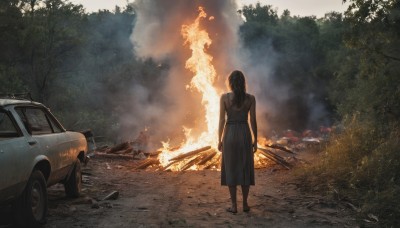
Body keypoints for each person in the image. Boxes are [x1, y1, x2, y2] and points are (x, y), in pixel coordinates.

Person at [218, 70, 257, 214]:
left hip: (229, 134)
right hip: (244, 133)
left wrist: (219, 139)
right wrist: (255, 139)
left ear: (230, 83)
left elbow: (222, 120)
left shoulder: (224, 98)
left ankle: (234, 205)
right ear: (243, 82)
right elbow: (253, 120)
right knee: (245, 168)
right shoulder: (251, 98)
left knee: (231, 168)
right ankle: (245, 204)